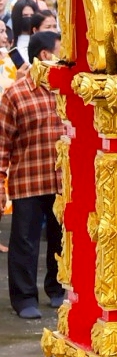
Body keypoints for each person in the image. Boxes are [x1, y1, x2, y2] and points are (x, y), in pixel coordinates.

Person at [0, 30, 63, 319]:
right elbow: (2, 144)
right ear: (46, 56)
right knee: (24, 242)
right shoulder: (15, 94)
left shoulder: (67, 89)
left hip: (63, 181)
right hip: (28, 181)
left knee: (61, 238)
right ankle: (24, 298)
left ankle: (58, 289)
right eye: (61, 51)